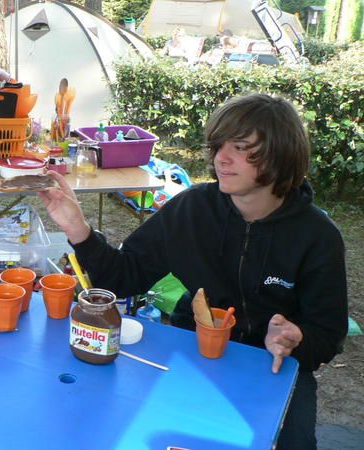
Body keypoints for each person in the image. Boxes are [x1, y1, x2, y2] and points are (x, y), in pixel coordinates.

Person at [38, 93, 348, 449]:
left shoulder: (316, 236)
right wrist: (79, 230)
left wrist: (296, 339)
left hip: (273, 366)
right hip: (194, 351)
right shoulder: (192, 209)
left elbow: (328, 334)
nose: (222, 159)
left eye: (242, 148)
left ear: (280, 155)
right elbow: (124, 277)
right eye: (218, 146)